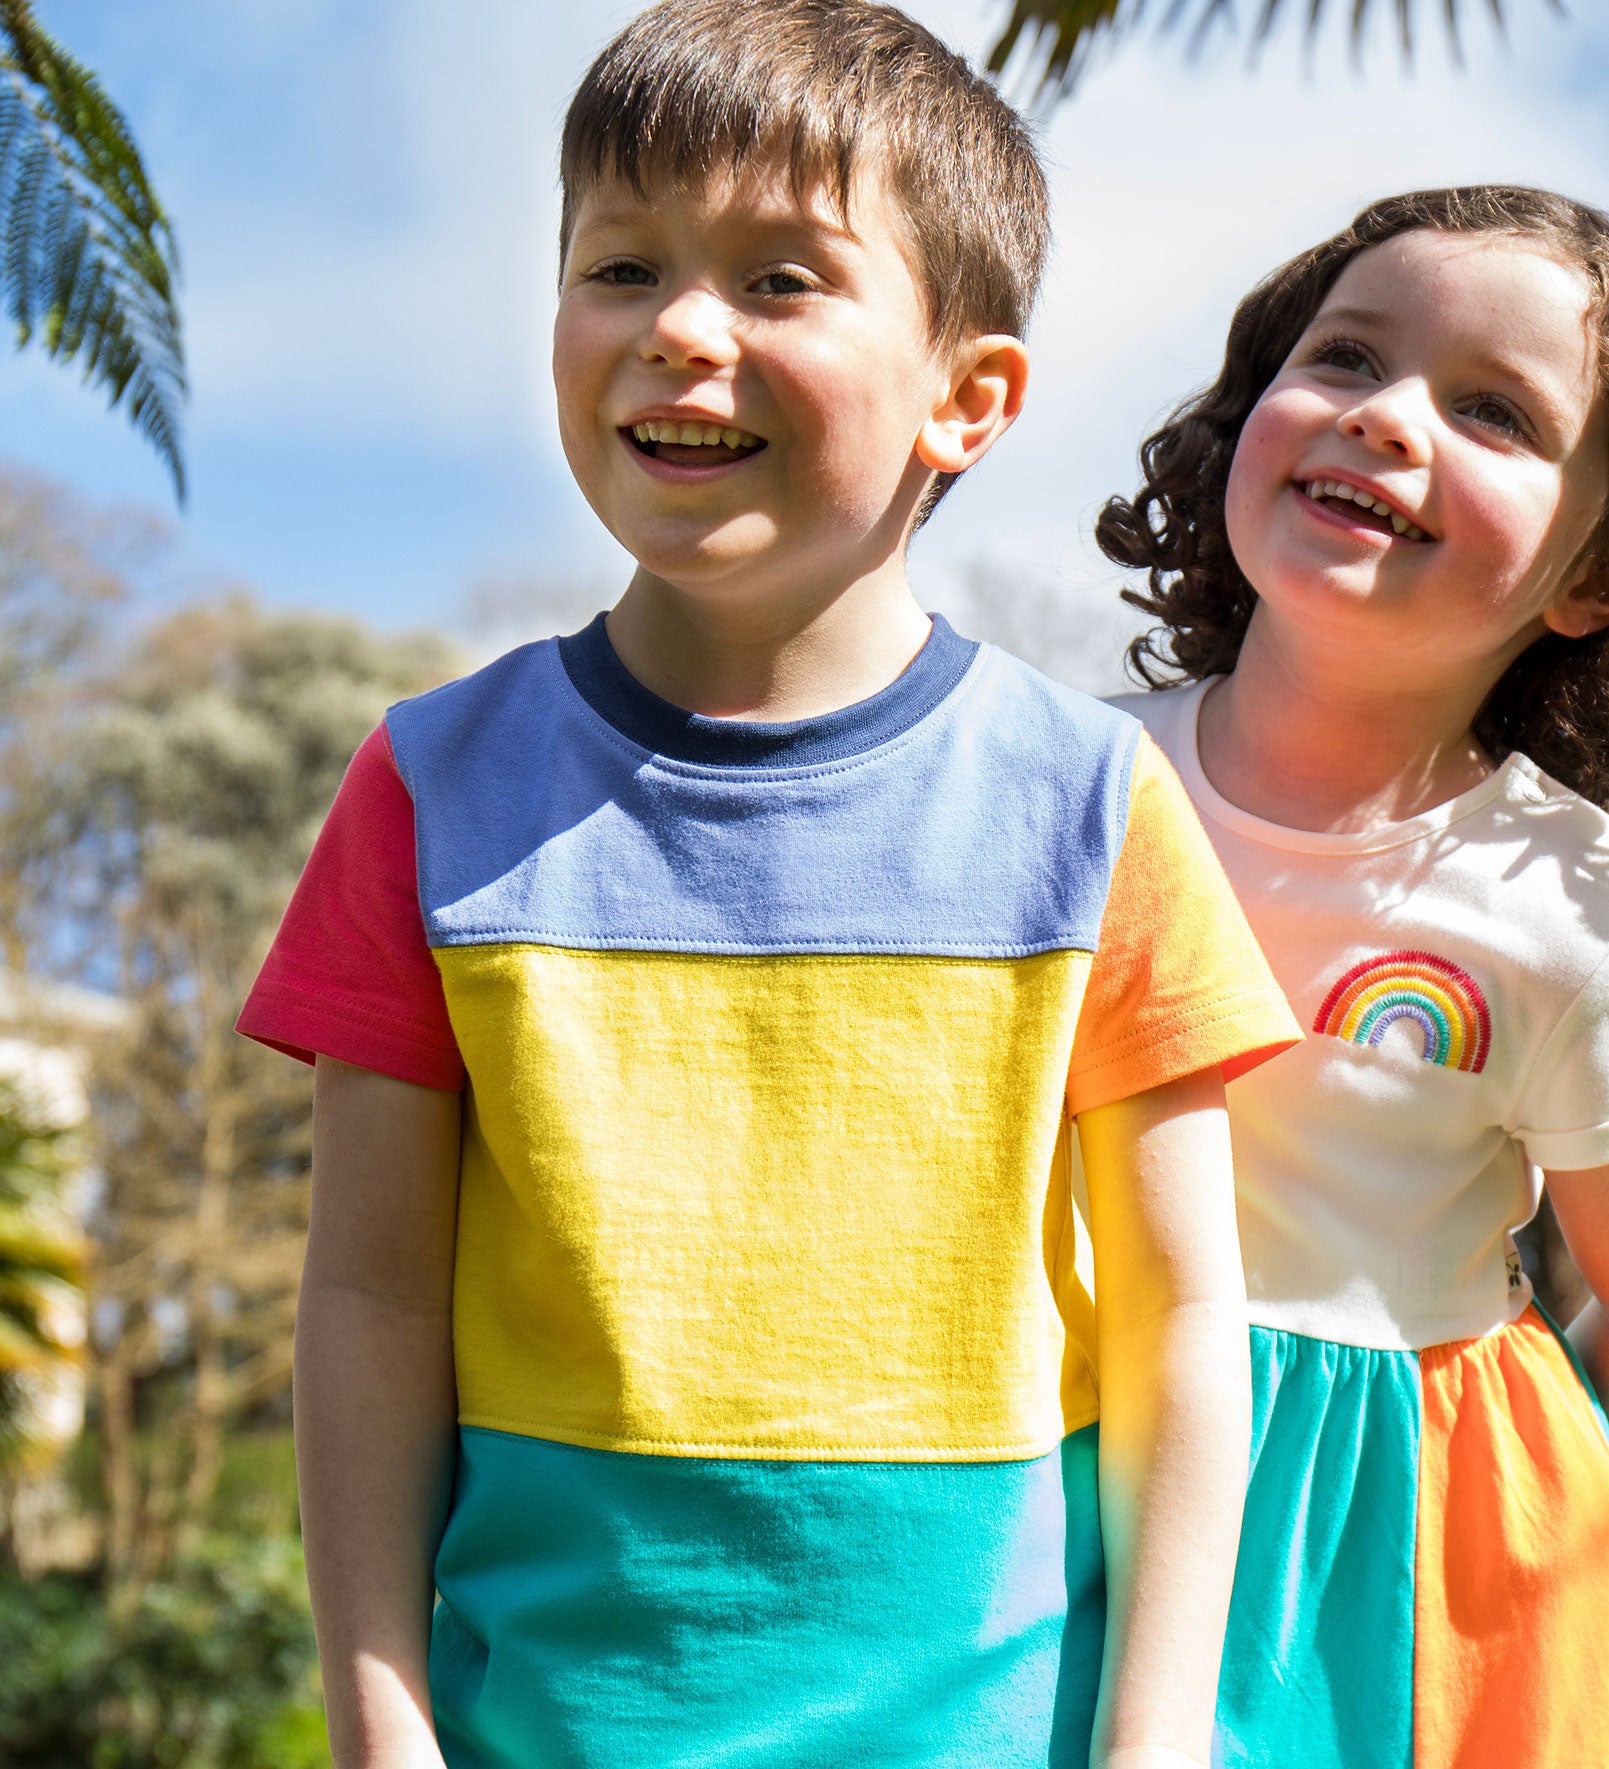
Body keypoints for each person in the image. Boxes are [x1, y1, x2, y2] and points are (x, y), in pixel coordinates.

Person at [240, 3, 1301, 1764]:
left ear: (969, 397)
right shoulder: (425, 786)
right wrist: (378, 1717)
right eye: (619, 263)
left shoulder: (1094, 803)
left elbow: (1191, 1311)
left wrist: (1158, 1725)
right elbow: (364, 1298)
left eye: (778, 280)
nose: (673, 329)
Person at [1101, 186, 1609, 1769]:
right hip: (1061, 1453)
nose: (1387, 418)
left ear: (1588, 579)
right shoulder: (1048, 784)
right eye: (1344, 357)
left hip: (1412, 1549)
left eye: (1494, 412)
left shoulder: (1571, 905)